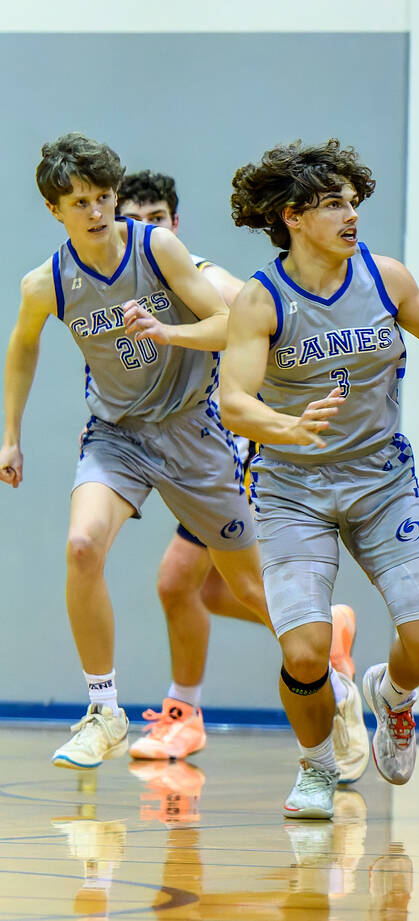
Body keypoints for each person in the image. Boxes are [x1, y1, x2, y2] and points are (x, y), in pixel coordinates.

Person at [220, 138, 419, 819]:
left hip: (381, 479)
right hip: (292, 487)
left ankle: (395, 695)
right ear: (292, 216)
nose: (351, 215)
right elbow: (234, 398)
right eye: (332, 205)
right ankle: (319, 766)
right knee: (304, 649)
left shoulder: (385, 277)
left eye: (353, 202)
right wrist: (285, 427)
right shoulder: (261, 300)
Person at [0, 133, 268, 770]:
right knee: (82, 545)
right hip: (116, 434)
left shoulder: (159, 248)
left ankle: (333, 682)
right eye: (78, 202)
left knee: (254, 590)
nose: (95, 212)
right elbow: (23, 347)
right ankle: (104, 710)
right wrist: (10, 433)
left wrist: (167, 329)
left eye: (102, 197)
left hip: (192, 430)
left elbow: (231, 325)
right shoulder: (46, 283)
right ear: (53, 210)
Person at [114, 170, 360, 764]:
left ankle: (311, 673)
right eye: (134, 221)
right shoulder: (113, 287)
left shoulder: (203, 276)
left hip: (225, 452)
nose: (145, 230)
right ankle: (326, 626)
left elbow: (249, 326)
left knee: (193, 583)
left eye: (157, 220)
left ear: (174, 225)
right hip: (180, 451)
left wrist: (179, 338)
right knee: (209, 591)